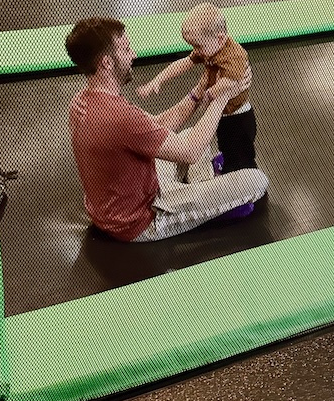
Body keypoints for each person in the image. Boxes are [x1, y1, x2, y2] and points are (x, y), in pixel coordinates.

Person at [65, 17, 268, 243]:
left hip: (116, 203)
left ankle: (205, 189)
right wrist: (224, 94)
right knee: (256, 180)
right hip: (143, 218)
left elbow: (158, 126)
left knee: (189, 134)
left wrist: (200, 89)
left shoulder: (82, 101)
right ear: (106, 63)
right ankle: (212, 203)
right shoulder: (120, 117)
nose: (134, 55)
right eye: (126, 49)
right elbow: (190, 152)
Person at [138, 3, 257, 174]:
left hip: (238, 117)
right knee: (225, 144)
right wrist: (159, 79)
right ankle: (226, 161)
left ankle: (246, 179)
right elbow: (184, 63)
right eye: (193, 47)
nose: (196, 51)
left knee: (240, 155)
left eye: (198, 46)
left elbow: (231, 82)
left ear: (220, 39)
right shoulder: (210, 47)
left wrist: (210, 93)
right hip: (223, 114)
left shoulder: (234, 55)